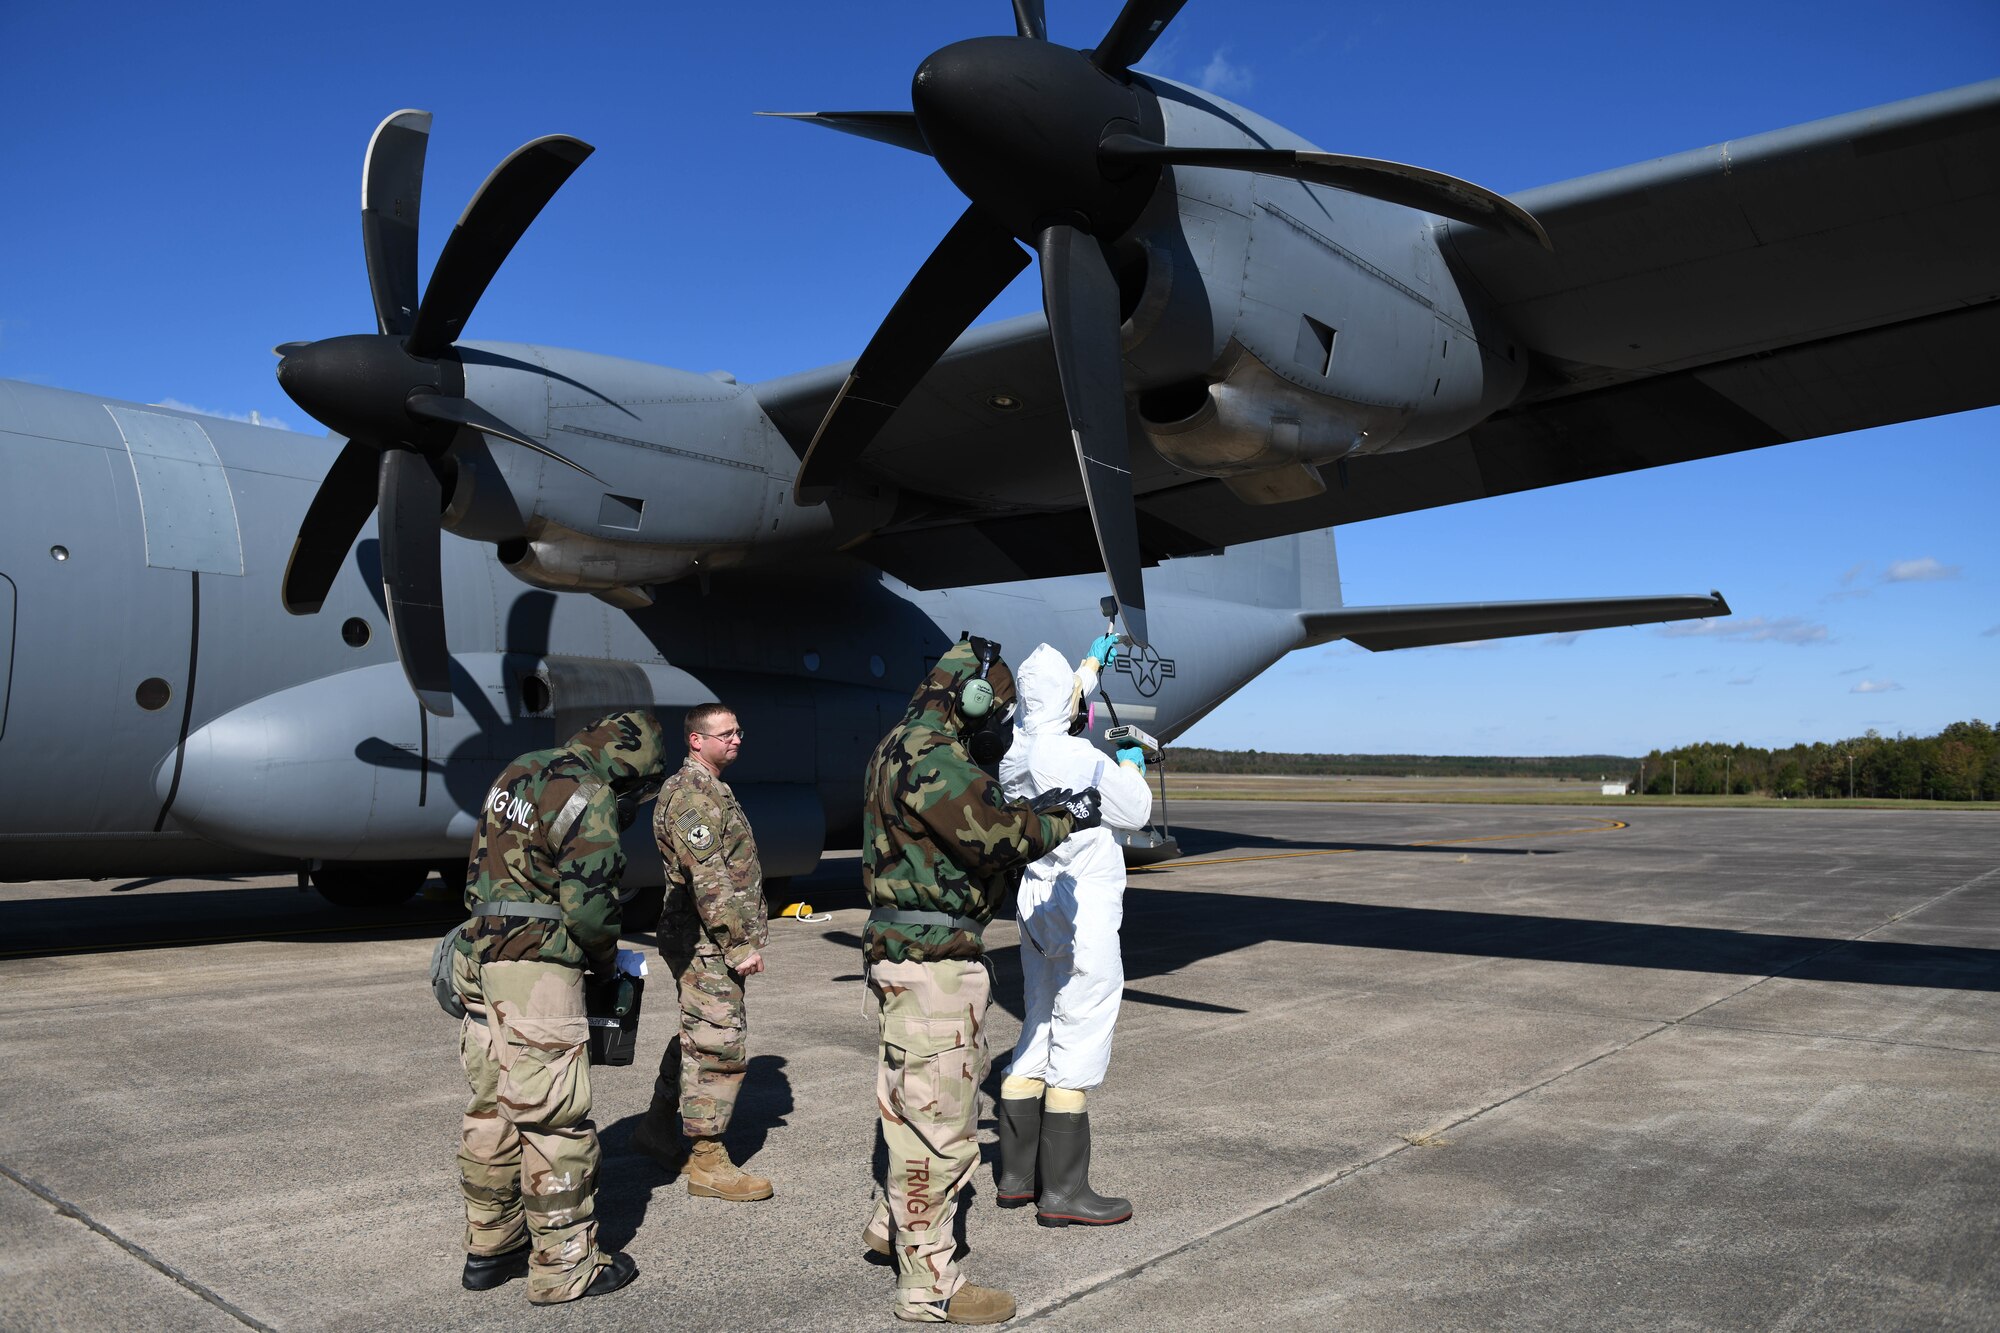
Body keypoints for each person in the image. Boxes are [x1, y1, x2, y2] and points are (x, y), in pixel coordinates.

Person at [858, 634, 1103, 1325]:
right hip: (934, 964)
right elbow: (994, 834)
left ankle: (890, 1227)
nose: (993, 718)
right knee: (941, 1128)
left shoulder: (895, 744)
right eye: (992, 704)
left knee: (909, 1108)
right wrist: (1065, 816)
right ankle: (930, 1284)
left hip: (902, 955)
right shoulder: (933, 752)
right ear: (968, 694)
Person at [452, 709, 666, 1304]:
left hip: (478, 952)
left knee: (493, 1106)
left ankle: (490, 1247)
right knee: (552, 1114)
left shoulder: (517, 770)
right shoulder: (590, 794)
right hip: (536, 967)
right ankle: (566, 1263)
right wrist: (601, 963)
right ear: (626, 766)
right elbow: (592, 907)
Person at [993, 638, 1153, 1227]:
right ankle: (1064, 1191)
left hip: (1036, 909)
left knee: (1038, 1020)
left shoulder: (1015, 754)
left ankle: (1014, 1178)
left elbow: (1055, 704)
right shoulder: (1085, 759)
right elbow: (1133, 812)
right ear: (1069, 707)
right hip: (1083, 905)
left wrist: (1091, 664)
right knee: (1083, 1023)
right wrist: (1131, 763)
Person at [629, 702, 774, 1202]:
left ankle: (655, 1126)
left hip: (706, 936)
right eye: (725, 734)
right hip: (705, 939)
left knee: (697, 1030)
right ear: (696, 740)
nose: (736, 739)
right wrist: (738, 945)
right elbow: (708, 877)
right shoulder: (691, 794)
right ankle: (707, 1161)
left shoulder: (711, 787)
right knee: (718, 1040)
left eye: (738, 731)